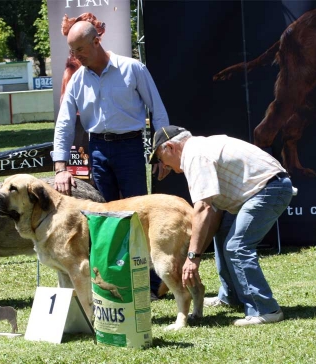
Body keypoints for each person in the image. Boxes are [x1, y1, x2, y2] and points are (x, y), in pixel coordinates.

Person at [51, 17, 169, 298]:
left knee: (138, 218)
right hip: (98, 151)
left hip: (130, 148)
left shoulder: (132, 68)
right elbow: (64, 124)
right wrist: (60, 168)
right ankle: (111, 279)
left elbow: (158, 111)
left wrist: (162, 151)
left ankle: (150, 285)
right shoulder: (77, 79)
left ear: (96, 42)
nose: (75, 56)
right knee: (102, 219)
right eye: (72, 51)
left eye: (80, 49)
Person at [149, 125, 295, 326]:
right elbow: (213, 216)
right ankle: (231, 296)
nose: (163, 166)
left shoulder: (194, 156)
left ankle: (265, 309)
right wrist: (193, 254)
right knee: (223, 235)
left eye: (160, 158)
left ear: (171, 148)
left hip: (270, 188)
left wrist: (192, 258)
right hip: (263, 188)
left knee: (237, 246)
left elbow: (202, 209)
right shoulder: (198, 149)